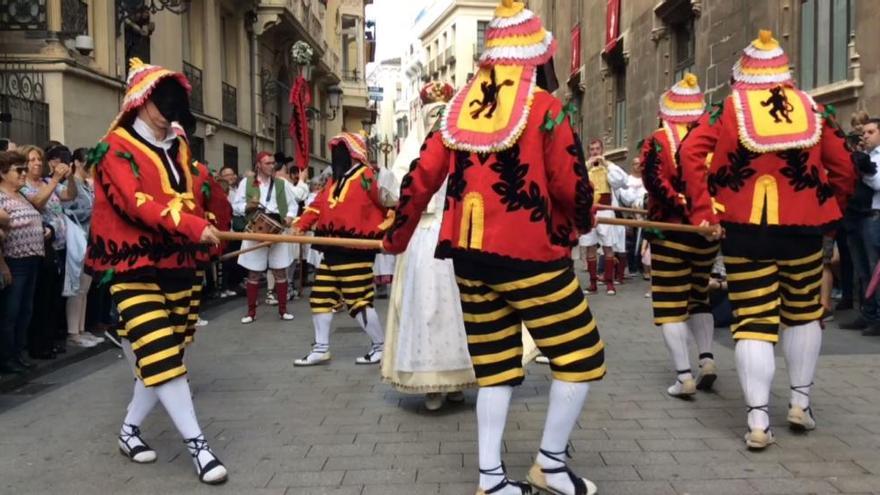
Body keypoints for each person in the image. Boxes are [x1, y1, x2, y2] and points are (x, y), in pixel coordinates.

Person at [384, 2, 604, 493]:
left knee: (496, 367)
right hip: (530, 255)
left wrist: (396, 237)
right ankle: (549, 464)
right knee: (582, 355)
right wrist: (577, 224)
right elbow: (570, 184)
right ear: (533, 57)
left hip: (467, 256)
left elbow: (421, 177)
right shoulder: (544, 105)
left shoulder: (459, 106)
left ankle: (491, 479)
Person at [679, 31, 856, 449]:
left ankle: (758, 420)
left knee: (753, 320)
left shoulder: (728, 109)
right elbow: (844, 167)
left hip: (744, 231)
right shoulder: (811, 107)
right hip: (802, 229)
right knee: (802, 313)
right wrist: (830, 212)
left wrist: (705, 210)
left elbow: (689, 154)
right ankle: (800, 403)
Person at [86, 58, 227, 484]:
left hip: (180, 265)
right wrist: (193, 226)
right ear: (142, 103)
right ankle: (199, 448)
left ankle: (129, 431)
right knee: (162, 355)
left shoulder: (180, 148)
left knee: (164, 356)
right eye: (165, 110)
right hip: (132, 267)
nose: (169, 120)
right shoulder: (114, 149)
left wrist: (213, 233)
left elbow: (195, 199)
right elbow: (137, 204)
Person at [379, 81, 477, 410]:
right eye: (432, 115)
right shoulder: (411, 154)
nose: (437, 120)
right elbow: (394, 194)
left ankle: (457, 379)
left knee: (457, 308)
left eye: (442, 114)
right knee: (425, 306)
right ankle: (430, 384)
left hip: (456, 234)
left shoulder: (465, 148)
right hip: (423, 237)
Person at [639, 74, 720, 398]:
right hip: (706, 233)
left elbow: (653, 181)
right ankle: (707, 359)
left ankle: (684, 376)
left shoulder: (658, 139)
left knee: (670, 303)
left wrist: (679, 204)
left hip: (671, 230)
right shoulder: (711, 137)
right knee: (699, 294)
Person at [292, 132, 389, 367]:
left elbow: (387, 203)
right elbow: (316, 207)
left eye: (340, 151)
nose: (336, 156)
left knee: (358, 301)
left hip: (355, 249)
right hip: (331, 248)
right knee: (320, 298)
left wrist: (389, 228)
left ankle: (380, 347)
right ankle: (321, 348)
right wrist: (300, 225)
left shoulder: (367, 176)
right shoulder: (334, 181)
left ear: (353, 154)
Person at [232, 152, 307, 323]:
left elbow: (292, 205)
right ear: (258, 164)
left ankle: (283, 310)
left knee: (280, 271)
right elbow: (235, 206)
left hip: (277, 229)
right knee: (253, 272)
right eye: (267, 163)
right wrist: (246, 205)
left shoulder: (281, 184)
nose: (271, 166)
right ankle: (251, 312)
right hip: (255, 229)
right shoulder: (246, 183)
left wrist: (289, 217)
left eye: (273, 163)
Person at [20, 144, 76, 359]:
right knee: (41, 298)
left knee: (54, 297)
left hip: (59, 246)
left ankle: (50, 339)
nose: (37, 163)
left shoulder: (45, 182)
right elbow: (38, 202)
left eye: (38, 160)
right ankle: (38, 344)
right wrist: (54, 180)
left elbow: (69, 195)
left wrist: (68, 177)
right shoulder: (23, 187)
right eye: (32, 160)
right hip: (41, 247)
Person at [0, 151, 44, 373]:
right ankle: (7, 357)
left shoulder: (23, 194)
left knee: (25, 310)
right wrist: (3, 265)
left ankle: (18, 352)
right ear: (3, 173)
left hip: (32, 258)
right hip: (14, 259)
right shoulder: (1, 196)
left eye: (24, 169)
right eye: (18, 170)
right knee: (11, 311)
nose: (23, 173)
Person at [63, 146, 103, 347]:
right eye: (86, 161)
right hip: (79, 239)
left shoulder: (87, 186)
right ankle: (73, 332)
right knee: (77, 287)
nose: (90, 165)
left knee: (85, 287)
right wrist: (92, 213)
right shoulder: (73, 186)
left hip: (90, 239)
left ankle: (81, 328)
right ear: (77, 162)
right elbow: (68, 211)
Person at [580, 138, 627, 295]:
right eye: (592, 149)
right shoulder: (584, 168)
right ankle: (593, 283)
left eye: (597, 149)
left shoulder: (609, 167)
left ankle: (609, 283)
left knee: (608, 246)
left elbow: (621, 181)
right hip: (588, 211)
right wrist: (586, 165)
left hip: (605, 209)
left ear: (602, 150)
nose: (595, 152)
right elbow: (576, 182)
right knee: (590, 247)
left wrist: (606, 164)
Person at [857, 118, 880, 336]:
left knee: (876, 270)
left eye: (871, 131)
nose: (866, 136)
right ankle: (869, 313)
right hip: (866, 215)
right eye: (864, 133)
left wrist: (863, 173)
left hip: (877, 216)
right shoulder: (871, 155)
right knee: (866, 270)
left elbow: (879, 182)